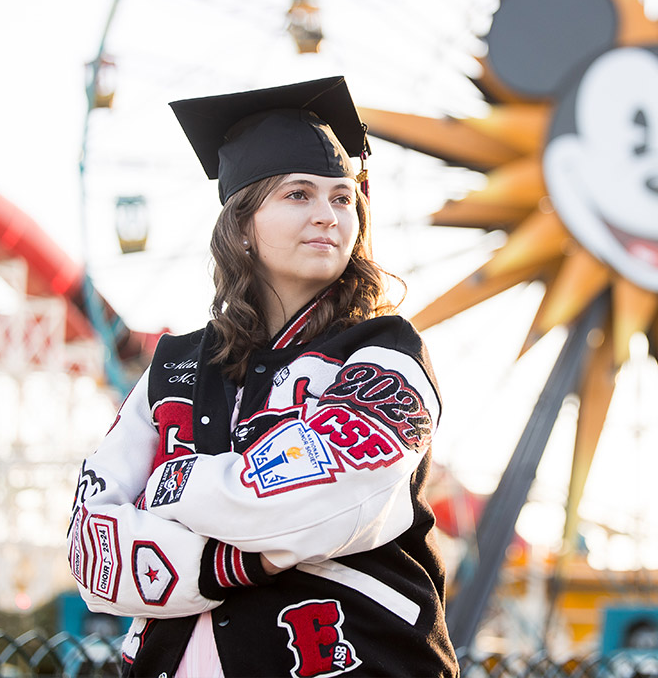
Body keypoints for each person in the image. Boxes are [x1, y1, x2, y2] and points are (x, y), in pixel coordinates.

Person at [67, 76, 459, 677]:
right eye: (298, 195)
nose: (328, 216)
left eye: (342, 198)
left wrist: (171, 490)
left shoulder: (385, 355)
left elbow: (331, 497)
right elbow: (91, 545)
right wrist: (249, 548)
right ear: (243, 223)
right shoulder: (173, 366)